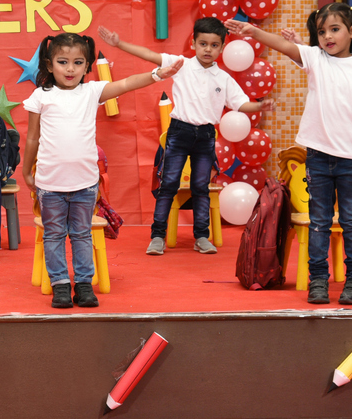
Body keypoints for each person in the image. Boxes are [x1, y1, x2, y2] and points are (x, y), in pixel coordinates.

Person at [226, 3, 352, 305]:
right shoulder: (315, 58)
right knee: (319, 221)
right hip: (318, 157)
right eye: (322, 31)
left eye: (335, 29)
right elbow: (284, 46)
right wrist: (254, 31)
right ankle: (318, 280)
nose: (327, 36)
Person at [23, 32, 182, 308]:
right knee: (54, 235)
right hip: (49, 185)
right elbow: (33, 138)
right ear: (49, 65)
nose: (70, 69)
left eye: (77, 62)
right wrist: (27, 171)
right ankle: (61, 284)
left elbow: (127, 83)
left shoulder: (92, 91)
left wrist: (158, 74)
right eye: (62, 62)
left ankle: (84, 284)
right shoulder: (40, 96)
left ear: (87, 66)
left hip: (85, 185)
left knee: (82, 235)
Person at [99, 18, 273, 256]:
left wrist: (259, 107)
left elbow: (241, 104)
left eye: (214, 45)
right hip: (179, 132)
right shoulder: (180, 64)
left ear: (222, 48)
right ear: (193, 43)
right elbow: (150, 55)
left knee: (200, 187)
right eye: (203, 44)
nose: (208, 50)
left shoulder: (223, 78)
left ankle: (201, 236)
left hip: (205, 135)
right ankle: (157, 236)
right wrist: (120, 44)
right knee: (168, 185)